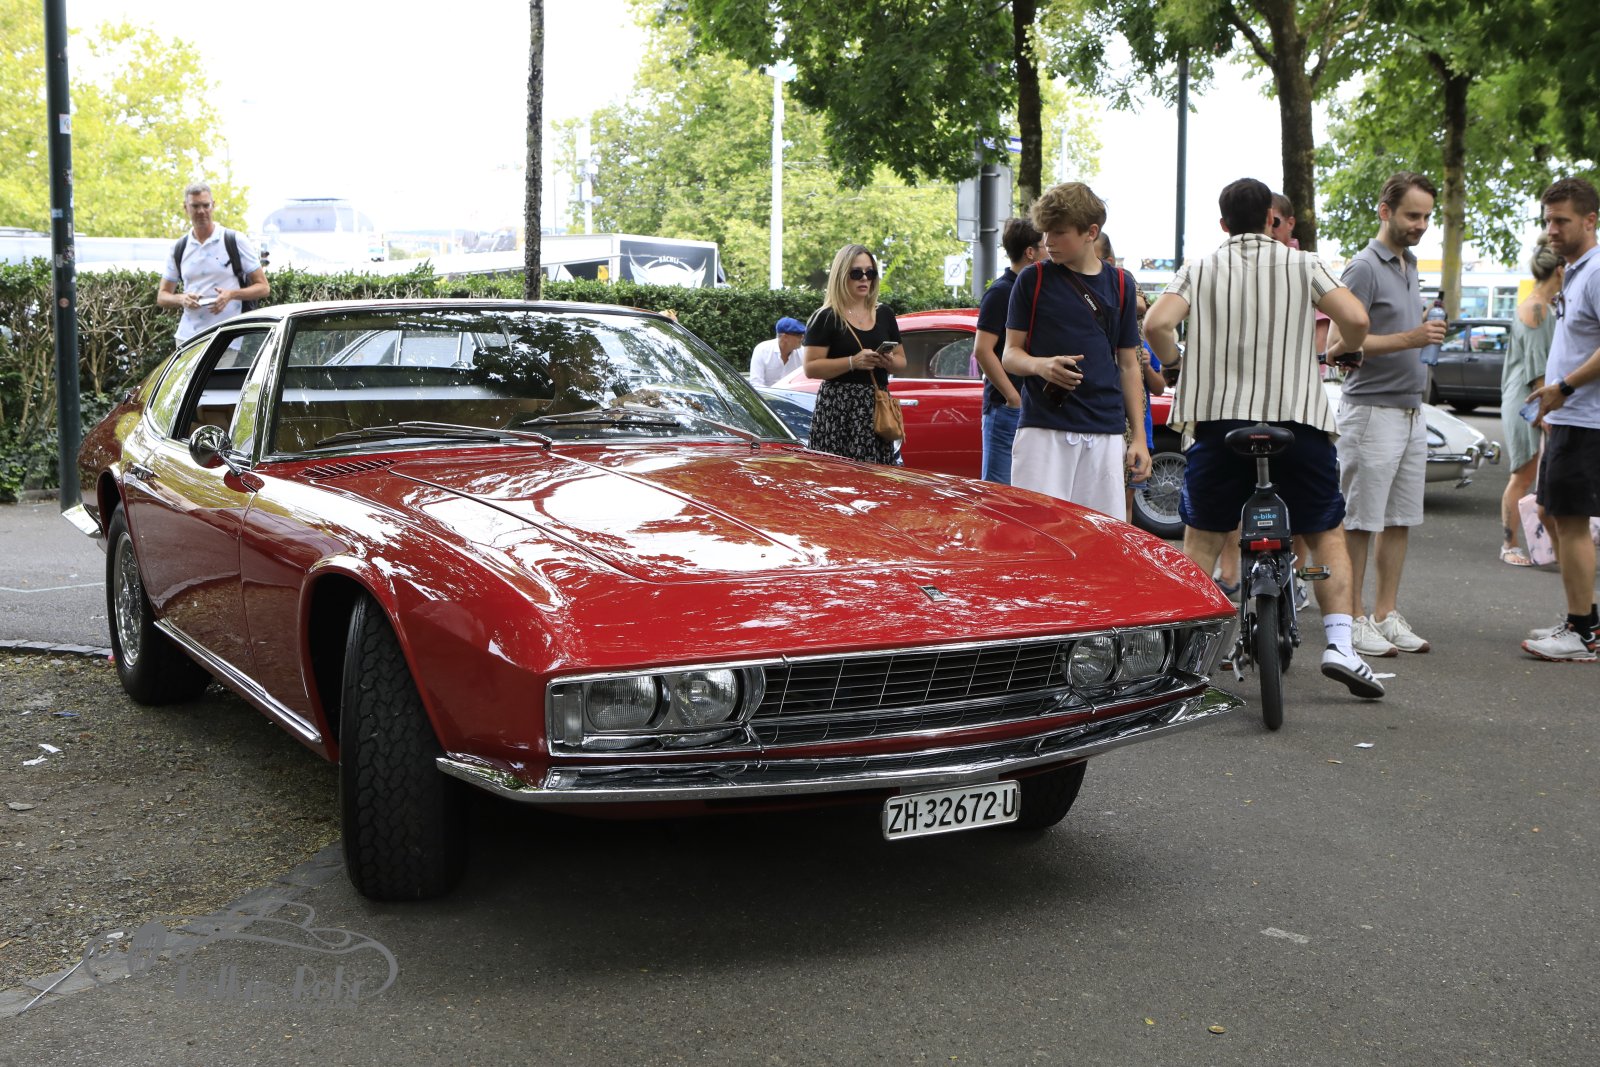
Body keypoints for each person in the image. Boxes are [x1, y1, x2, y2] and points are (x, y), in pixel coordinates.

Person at [1143, 177, 1384, 699]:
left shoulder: (1199, 268)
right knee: (1325, 531)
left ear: (1223, 223)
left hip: (1219, 423)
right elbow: (1356, 318)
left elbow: (1158, 324)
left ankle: (1180, 658)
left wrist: (1176, 362)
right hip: (1296, 422)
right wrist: (1344, 348)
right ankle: (1341, 645)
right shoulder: (1305, 264)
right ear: (1272, 220)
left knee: (1203, 537)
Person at [1325, 172, 1445, 658]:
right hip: (1372, 411)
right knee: (1360, 521)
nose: (1421, 225)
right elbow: (1336, 346)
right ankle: (1352, 619)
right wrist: (1411, 338)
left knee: (1399, 519)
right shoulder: (1363, 267)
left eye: (1427, 217)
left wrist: (1418, 332)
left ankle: (1385, 614)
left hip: (1410, 410)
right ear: (1385, 211)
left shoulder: (1409, 263)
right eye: (1412, 215)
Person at [1001, 182, 1149, 519]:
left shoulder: (1122, 284)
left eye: (1059, 232)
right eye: (1045, 232)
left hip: (1106, 431)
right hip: (1043, 428)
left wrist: (1138, 438)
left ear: (1090, 232)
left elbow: (1129, 365)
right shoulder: (1033, 279)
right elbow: (1009, 354)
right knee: (1038, 533)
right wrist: (1041, 366)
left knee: (1100, 537)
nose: (1048, 241)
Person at [1521, 177, 1600, 662]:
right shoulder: (1575, 272)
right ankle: (1584, 620)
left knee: (1570, 522)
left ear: (1590, 220)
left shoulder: (1596, 271)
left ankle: (1582, 632)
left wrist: (1564, 388)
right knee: (1554, 514)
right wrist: (1552, 398)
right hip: (1567, 416)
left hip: (1585, 419)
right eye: (1548, 220)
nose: (1552, 229)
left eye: (1561, 220)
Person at [802, 245, 905, 464]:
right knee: (835, 474)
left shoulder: (884, 314)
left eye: (870, 272)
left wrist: (888, 361)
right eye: (856, 273)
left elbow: (902, 361)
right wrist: (852, 362)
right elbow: (810, 367)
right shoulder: (826, 317)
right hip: (838, 407)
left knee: (876, 476)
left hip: (875, 406)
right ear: (841, 275)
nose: (865, 278)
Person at [1498, 238, 1565, 566]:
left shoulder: (1541, 304)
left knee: (1530, 474)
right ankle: (1509, 546)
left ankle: (1539, 545)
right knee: (1523, 475)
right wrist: (1545, 412)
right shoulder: (1536, 309)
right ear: (1560, 270)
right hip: (1528, 401)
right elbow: (1538, 369)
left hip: (1529, 398)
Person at [972, 218, 1045, 483]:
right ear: (1030, 252)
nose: (1049, 251)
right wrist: (1013, 398)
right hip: (1007, 408)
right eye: (1044, 246)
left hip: (1032, 408)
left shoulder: (1034, 291)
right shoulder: (1001, 292)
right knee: (999, 495)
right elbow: (982, 350)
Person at [156, 182, 269, 345]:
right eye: (195, 206)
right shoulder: (179, 247)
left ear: (213, 205)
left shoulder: (234, 240)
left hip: (226, 339)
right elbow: (162, 296)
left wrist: (231, 295)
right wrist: (182, 299)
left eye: (205, 205)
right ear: (186, 208)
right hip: (187, 340)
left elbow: (264, 287)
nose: (201, 211)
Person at [748, 317, 808, 387]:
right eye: (798, 335)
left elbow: (806, 382)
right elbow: (756, 383)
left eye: (803, 335)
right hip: (765, 394)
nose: (802, 338)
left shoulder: (803, 353)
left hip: (793, 394)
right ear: (785, 337)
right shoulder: (762, 350)